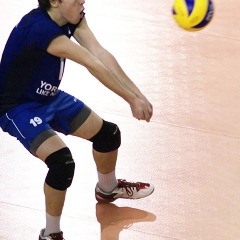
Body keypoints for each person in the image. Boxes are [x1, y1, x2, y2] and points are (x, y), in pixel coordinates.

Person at [0, 0, 154, 239]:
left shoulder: (73, 18)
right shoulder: (42, 29)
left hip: (48, 97)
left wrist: (138, 94)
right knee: (62, 163)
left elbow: (100, 53)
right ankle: (51, 233)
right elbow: (92, 63)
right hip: (18, 106)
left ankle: (108, 189)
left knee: (108, 135)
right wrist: (130, 99)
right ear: (55, 2)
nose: (82, 0)